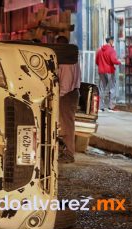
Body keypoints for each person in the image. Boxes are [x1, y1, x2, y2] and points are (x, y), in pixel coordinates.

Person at [56, 35, 81, 164]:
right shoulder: (71, 59)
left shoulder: (66, 62)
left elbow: (65, 85)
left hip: (67, 95)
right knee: (65, 124)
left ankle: (68, 154)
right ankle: (65, 151)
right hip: (70, 93)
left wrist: (56, 98)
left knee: (66, 125)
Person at [95, 36, 121, 112]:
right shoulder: (111, 50)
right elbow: (114, 60)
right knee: (112, 88)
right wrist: (119, 61)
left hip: (101, 71)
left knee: (102, 88)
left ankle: (100, 107)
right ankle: (111, 107)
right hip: (109, 71)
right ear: (111, 41)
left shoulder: (99, 51)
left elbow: (97, 61)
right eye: (113, 41)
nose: (113, 42)